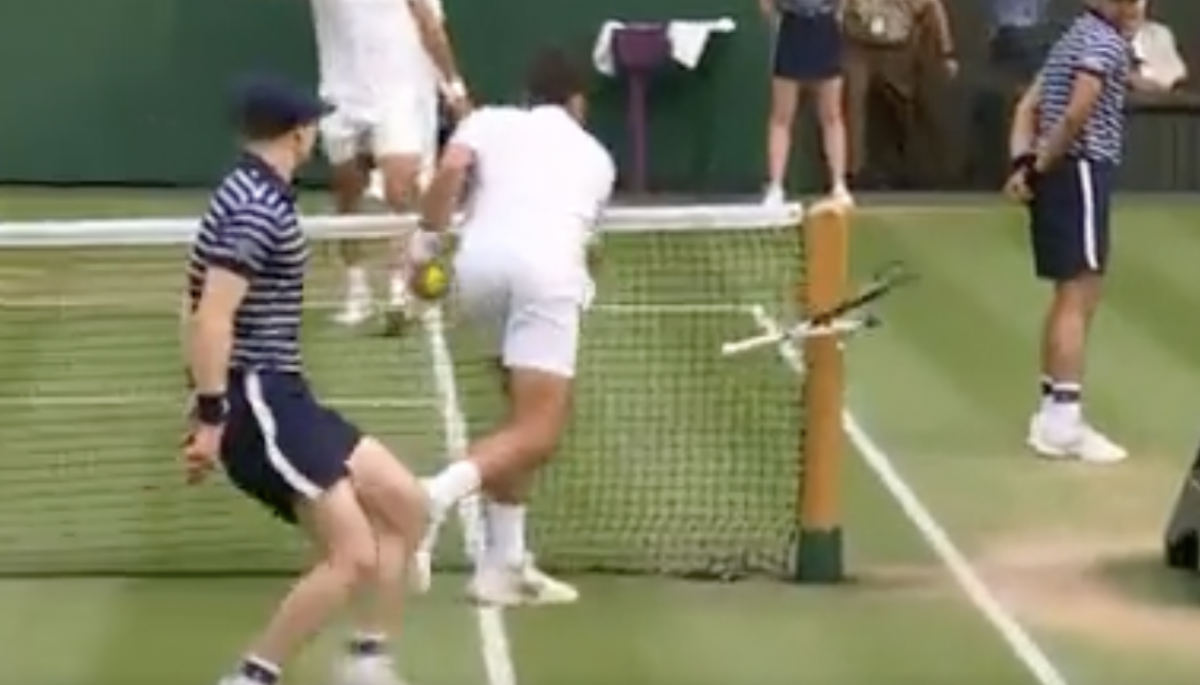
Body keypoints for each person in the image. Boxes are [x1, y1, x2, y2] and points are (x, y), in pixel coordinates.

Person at [184, 74, 428, 685]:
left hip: (286, 391)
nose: (317, 133)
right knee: (352, 555)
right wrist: (211, 417)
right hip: (259, 397)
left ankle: (369, 662)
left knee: (404, 504)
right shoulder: (252, 206)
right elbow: (212, 315)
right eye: (313, 124)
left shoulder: (260, 192)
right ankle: (252, 676)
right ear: (297, 133)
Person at [409, 47, 614, 606]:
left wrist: (423, 244)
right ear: (578, 102)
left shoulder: (487, 120)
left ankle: (502, 567)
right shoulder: (596, 156)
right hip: (546, 278)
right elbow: (589, 246)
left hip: (477, 274)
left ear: (528, 96)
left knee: (518, 425)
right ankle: (435, 494)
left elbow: (451, 170)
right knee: (540, 430)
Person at [1004, 0, 1142, 464]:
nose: (1138, 5)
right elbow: (1077, 111)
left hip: (1066, 174)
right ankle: (1063, 422)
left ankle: (1052, 413)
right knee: (1078, 292)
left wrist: (1024, 165)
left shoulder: (1074, 36)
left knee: (1077, 292)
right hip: (1079, 172)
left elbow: (1028, 107)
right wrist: (1041, 168)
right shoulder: (1100, 40)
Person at [311, 0, 470, 334]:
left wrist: (454, 89)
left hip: (397, 93)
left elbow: (430, 26)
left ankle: (401, 290)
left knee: (400, 189)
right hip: (342, 95)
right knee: (347, 196)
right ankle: (357, 289)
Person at [760, 0, 852, 208]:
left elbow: (843, 5)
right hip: (791, 30)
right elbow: (765, 7)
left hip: (824, 29)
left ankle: (839, 185)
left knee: (832, 115)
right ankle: (775, 187)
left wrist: (834, 16)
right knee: (781, 117)